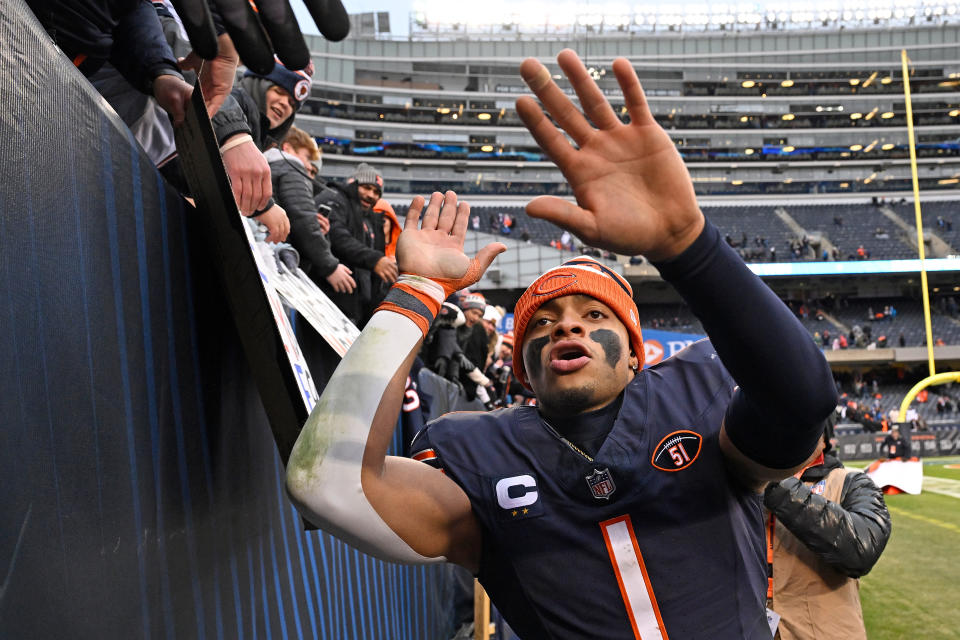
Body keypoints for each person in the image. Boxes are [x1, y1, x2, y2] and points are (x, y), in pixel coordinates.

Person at [285, 50, 836, 639]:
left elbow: (803, 398)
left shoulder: (696, 395)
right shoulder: (480, 449)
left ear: (634, 352)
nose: (565, 327)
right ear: (522, 368)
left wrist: (688, 245)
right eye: (541, 325)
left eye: (592, 314)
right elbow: (328, 483)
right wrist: (417, 292)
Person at [764, 422, 891, 640]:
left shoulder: (851, 481)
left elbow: (862, 549)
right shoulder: (747, 482)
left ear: (825, 438)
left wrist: (776, 484)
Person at [265, 126, 355, 293]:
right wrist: (330, 266)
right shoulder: (291, 166)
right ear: (287, 148)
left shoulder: (269, 168)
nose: (307, 166)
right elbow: (302, 218)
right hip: (276, 265)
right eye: (306, 158)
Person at [316, 162, 398, 326]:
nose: (371, 195)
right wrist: (375, 259)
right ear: (353, 183)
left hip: (356, 308)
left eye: (376, 192)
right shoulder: (335, 197)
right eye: (366, 187)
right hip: (329, 298)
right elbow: (338, 236)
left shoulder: (367, 217)